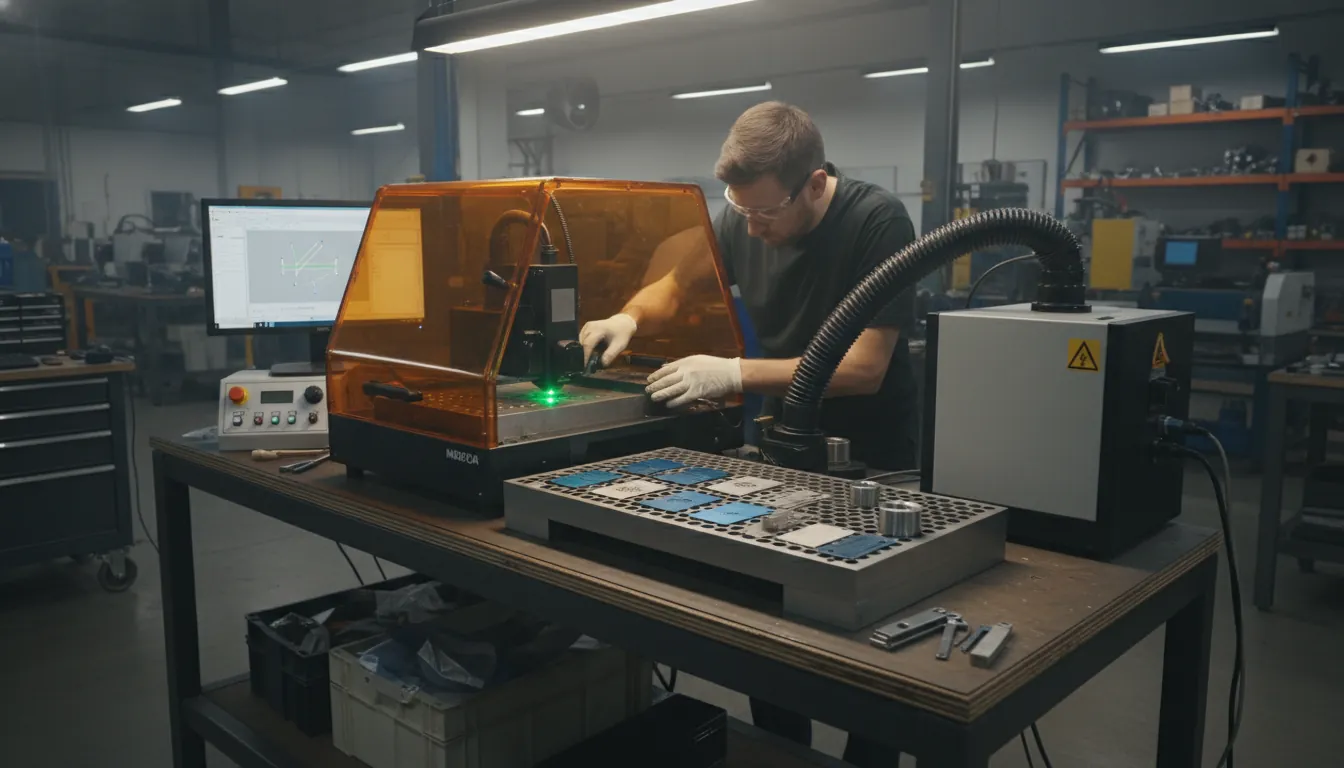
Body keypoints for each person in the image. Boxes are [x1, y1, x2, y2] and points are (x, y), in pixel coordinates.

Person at [579, 101, 917, 765]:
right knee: (773, 622)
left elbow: (863, 367)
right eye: (740, 210)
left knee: (868, 637)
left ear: (816, 184)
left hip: (872, 456)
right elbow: (677, 283)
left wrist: (731, 372)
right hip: (786, 445)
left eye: (766, 212)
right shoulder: (743, 218)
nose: (752, 226)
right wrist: (629, 316)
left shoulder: (878, 222)